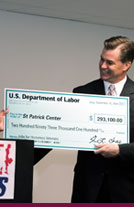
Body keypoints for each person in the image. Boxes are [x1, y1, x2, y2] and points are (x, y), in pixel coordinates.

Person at [71, 36, 134, 203]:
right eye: (101, 59)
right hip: (87, 189)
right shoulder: (82, 93)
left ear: (127, 65)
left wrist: (120, 150)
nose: (103, 66)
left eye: (110, 62)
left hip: (126, 189)